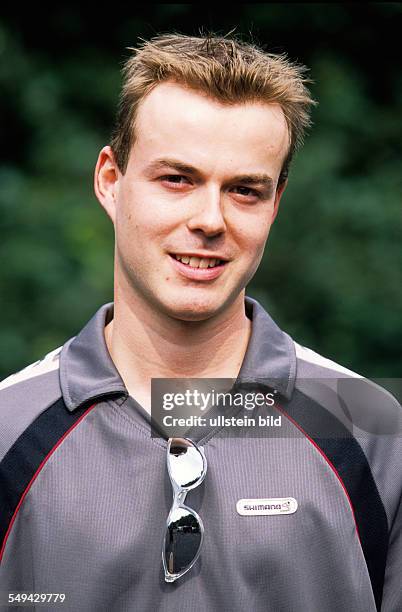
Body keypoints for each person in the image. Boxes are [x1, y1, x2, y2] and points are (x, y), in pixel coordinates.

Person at [0, 32, 400, 612]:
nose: (210, 219)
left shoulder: (372, 431)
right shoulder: (9, 433)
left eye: (244, 190)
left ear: (275, 204)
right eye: (177, 179)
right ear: (110, 180)